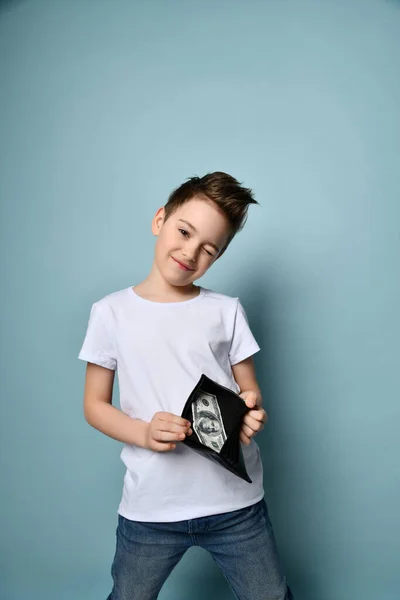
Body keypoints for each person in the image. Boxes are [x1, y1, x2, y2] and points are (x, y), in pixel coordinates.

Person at [78, 172, 294, 600]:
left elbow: (249, 391)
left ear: (218, 256)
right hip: (151, 507)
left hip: (236, 505)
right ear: (160, 219)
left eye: (208, 249)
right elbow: (94, 405)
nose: (190, 251)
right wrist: (142, 432)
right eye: (184, 231)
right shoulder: (111, 313)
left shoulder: (226, 311)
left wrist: (251, 411)